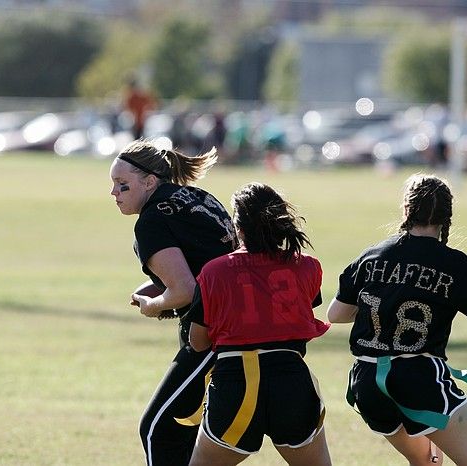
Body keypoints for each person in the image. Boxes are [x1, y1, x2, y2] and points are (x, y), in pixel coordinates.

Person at [327, 174, 467, 466]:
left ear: (406, 210)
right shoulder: (455, 265)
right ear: (446, 217)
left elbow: (336, 314)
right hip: (419, 380)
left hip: (367, 382)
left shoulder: (372, 255)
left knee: (427, 463)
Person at [109, 140, 237, 466]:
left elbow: (183, 290)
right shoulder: (199, 196)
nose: (114, 193)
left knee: (158, 430)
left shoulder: (150, 221)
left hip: (216, 332)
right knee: (194, 436)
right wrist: (160, 288)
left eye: (122, 185)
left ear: (150, 181)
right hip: (249, 321)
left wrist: (156, 306)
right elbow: (205, 263)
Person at [187, 182, 332, 466]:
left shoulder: (214, 271)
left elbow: (198, 341)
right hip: (291, 382)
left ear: (238, 228)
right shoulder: (307, 266)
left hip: (235, 382)